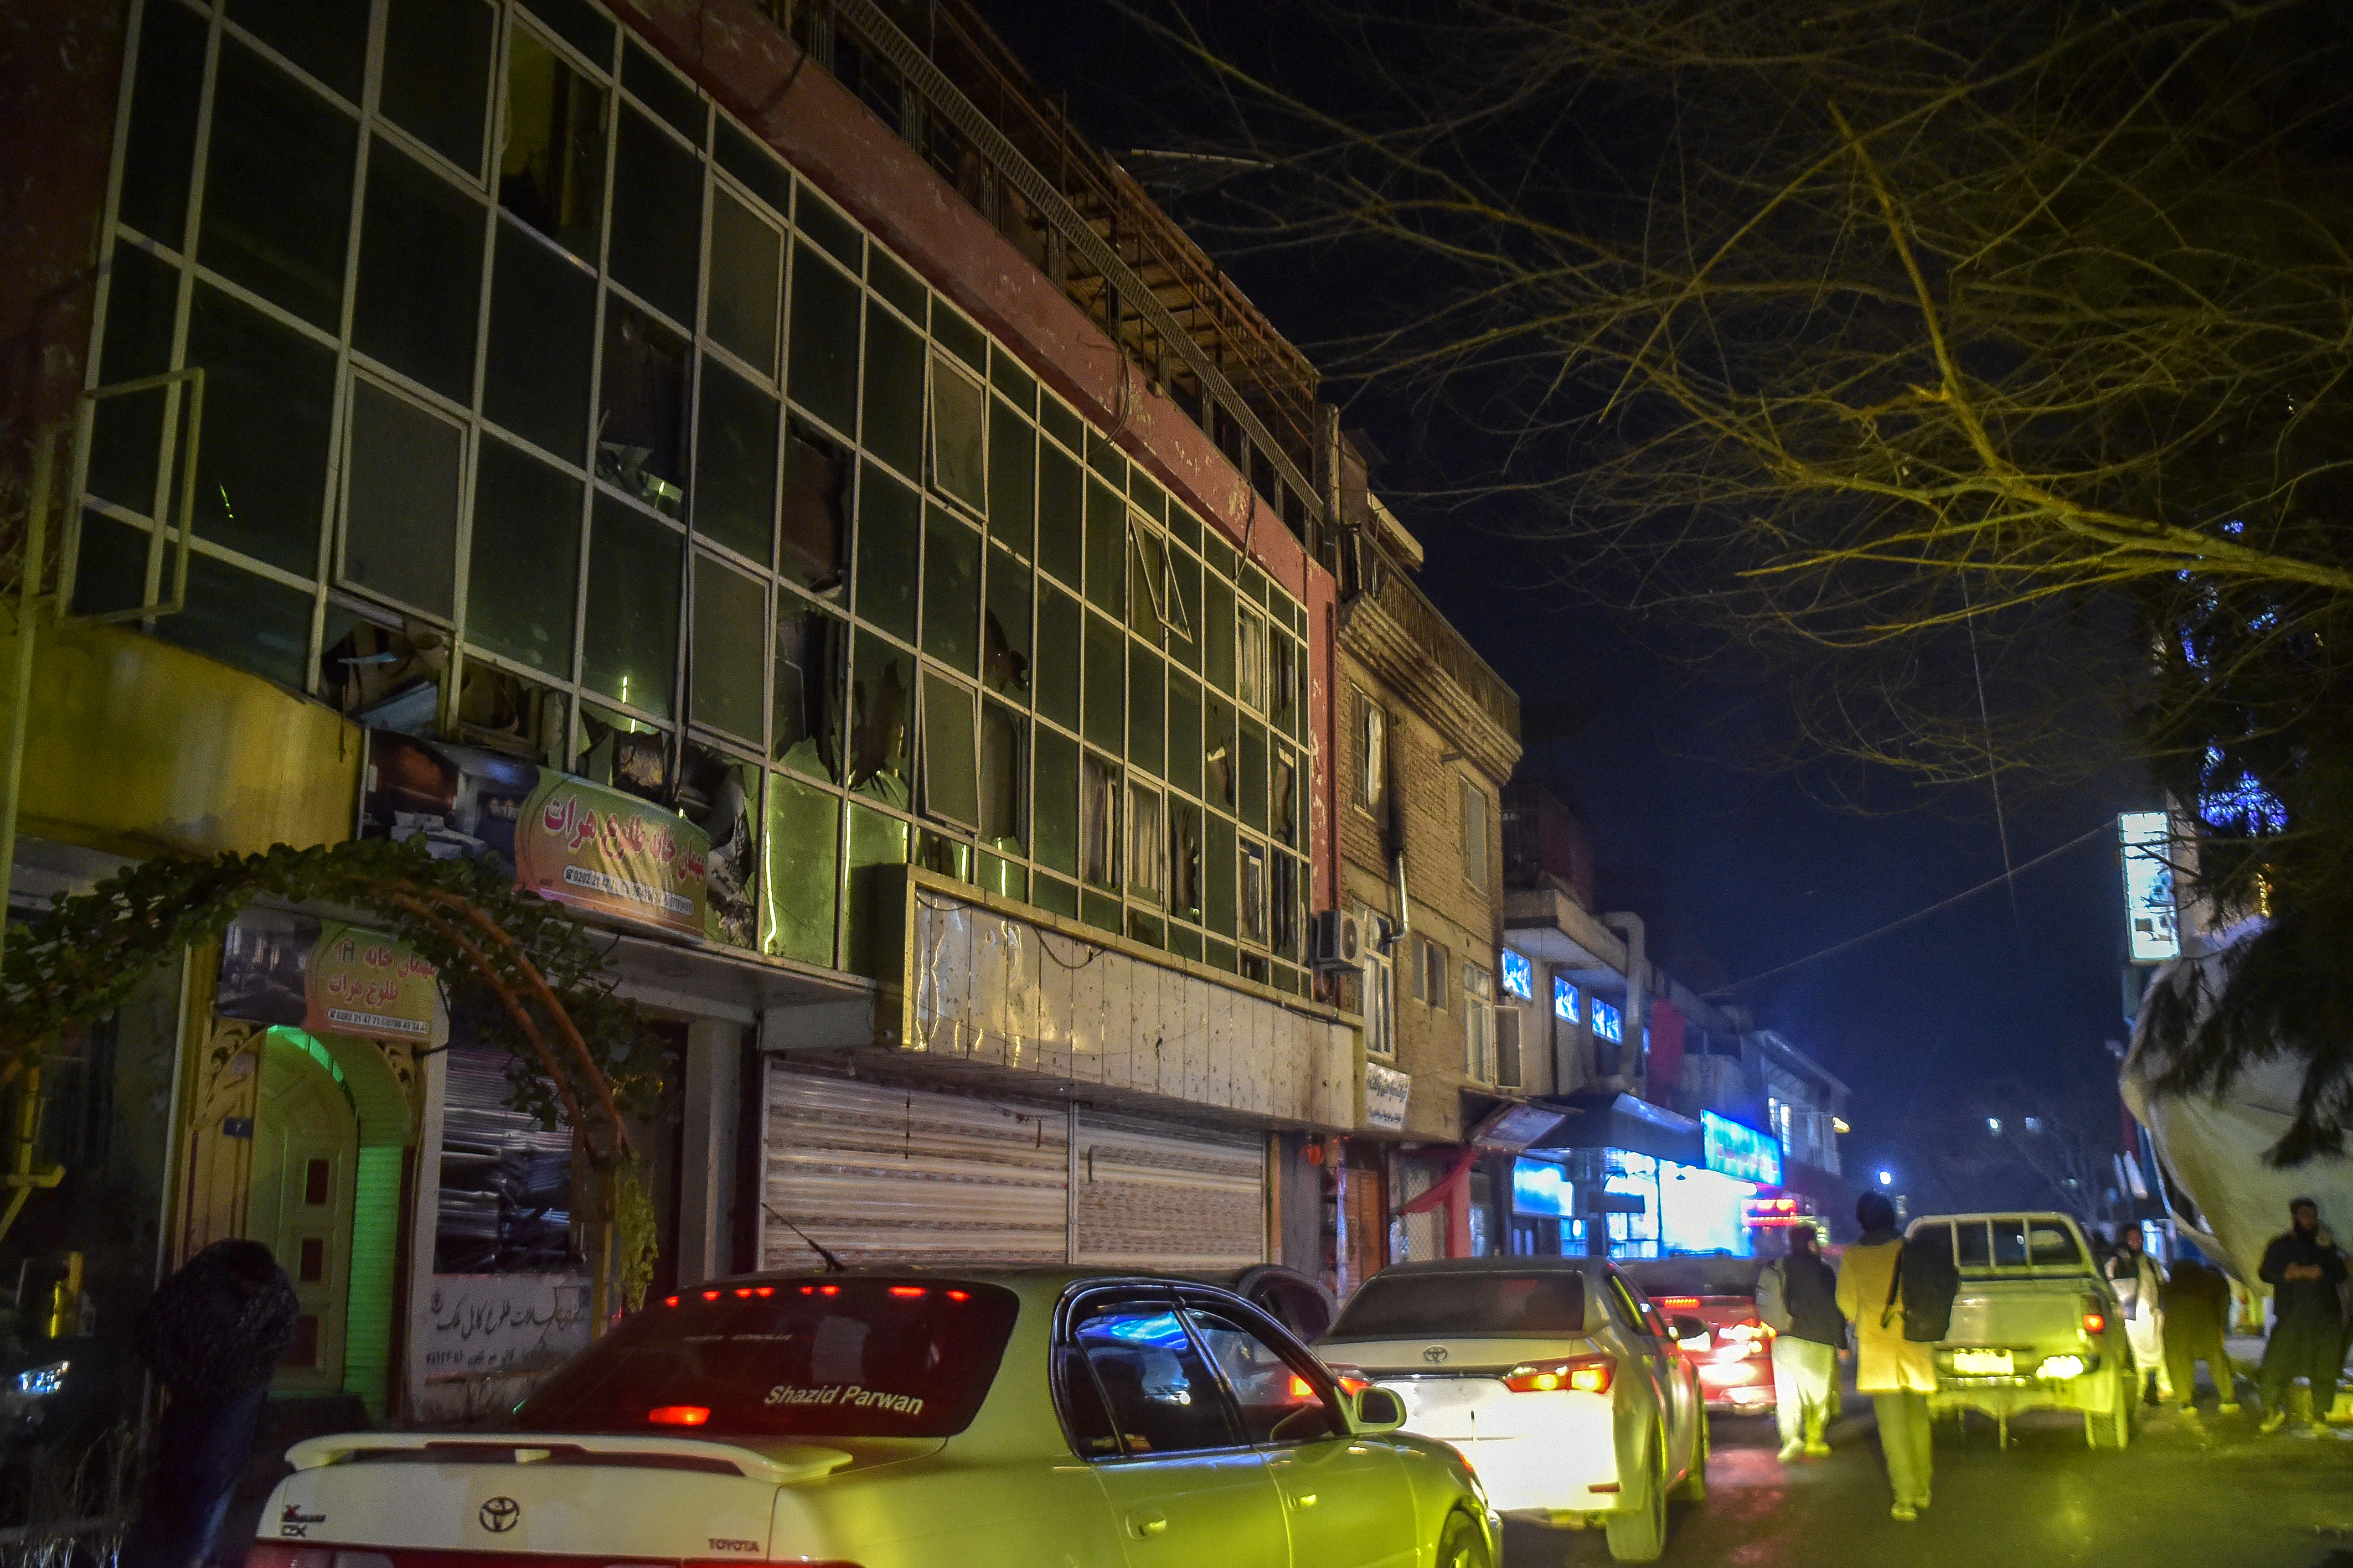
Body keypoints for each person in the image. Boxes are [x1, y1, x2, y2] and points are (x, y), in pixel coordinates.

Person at [120, 1240, 301, 1568]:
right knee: (182, 1468)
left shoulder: (275, 1292)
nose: (257, 1293)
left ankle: (197, 1554)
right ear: (234, 1276)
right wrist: (184, 1378)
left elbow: (283, 1329)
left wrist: (254, 1367)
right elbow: (152, 1334)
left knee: (214, 1471)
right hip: (197, 1389)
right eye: (250, 1287)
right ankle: (179, 1548)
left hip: (240, 1390)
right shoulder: (195, 1288)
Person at [1835, 1192, 1936, 1522]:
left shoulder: (1854, 1256)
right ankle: (1923, 1487)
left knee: (1892, 1426)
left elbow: (1846, 1303)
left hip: (1878, 1346)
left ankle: (1904, 1498)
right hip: (1914, 1340)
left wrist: (1865, 1314)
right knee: (1918, 1418)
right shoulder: (1909, 1248)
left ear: (1862, 1220)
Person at [2256, 1197, 2349, 1435]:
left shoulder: (2326, 1246)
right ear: (2295, 1218)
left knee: (2325, 1367)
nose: (2310, 1220)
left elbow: (2340, 1273)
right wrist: (2288, 1273)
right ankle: (2272, 1411)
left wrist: (2321, 1271)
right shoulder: (2280, 1245)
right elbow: (2265, 1272)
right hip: (2291, 1316)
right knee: (2275, 1366)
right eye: (2305, 1215)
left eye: (2312, 1215)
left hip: (2325, 1318)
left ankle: (2319, 1415)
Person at [1756, 1222, 1844, 1462]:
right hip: (1818, 1341)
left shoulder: (1779, 1268)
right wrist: (1842, 1342)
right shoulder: (1823, 1272)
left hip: (1784, 1341)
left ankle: (1791, 1439)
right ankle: (1814, 1438)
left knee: (1788, 1395)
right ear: (1812, 1243)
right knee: (1818, 1394)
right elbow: (1832, 1309)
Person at [2158, 1244, 2237, 1417]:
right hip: (2206, 1323)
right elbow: (2224, 1302)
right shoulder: (2212, 1282)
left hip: (2176, 1328)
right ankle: (2228, 1399)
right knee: (2216, 1358)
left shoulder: (2169, 1287)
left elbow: (2161, 1305)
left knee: (2179, 1362)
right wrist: (2221, 1326)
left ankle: (2185, 1402)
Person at [2106, 1225, 2171, 1404]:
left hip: (2153, 1317)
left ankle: (2165, 1388)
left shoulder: (2151, 1262)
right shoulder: (2116, 1263)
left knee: (2160, 1353)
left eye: (2139, 1237)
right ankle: (2139, 1391)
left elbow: (2162, 1283)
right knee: (2136, 1357)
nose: (2137, 1241)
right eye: (2132, 1237)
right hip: (2131, 1320)